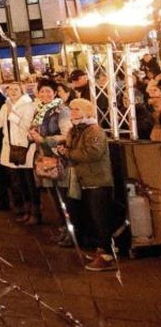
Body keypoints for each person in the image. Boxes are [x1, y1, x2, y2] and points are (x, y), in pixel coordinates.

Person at [55, 98, 117, 271]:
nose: (73, 112)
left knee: (100, 218)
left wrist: (68, 152)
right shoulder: (75, 130)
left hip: (97, 181)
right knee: (91, 217)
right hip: (84, 180)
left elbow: (92, 154)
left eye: (77, 109)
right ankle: (100, 250)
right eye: (72, 109)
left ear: (87, 112)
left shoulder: (94, 130)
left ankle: (107, 255)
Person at [28, 80, 72, 237]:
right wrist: (31, 136)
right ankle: (63, 228)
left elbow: (67, 135)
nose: (45, 94)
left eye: (48, 91)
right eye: (42, 91)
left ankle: (71, 231)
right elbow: (35, 131)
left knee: (64, 196)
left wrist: (44, 140)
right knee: (54, 197)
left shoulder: (62, 110)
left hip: (59, 159)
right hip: (44, 159)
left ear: (55, 93)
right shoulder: (40, 111)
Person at [0, 83, 41, 225]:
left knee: (30, 182)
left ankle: (36, 213)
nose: (13, 92)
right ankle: (26, 211)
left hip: (25, 148)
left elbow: (27, 126)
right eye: (10, 89)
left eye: (16, 89)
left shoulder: (29, 106)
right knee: (20, 182)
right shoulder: (6, 105)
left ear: (22, 91)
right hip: (11, 147)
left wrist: (12, 114)